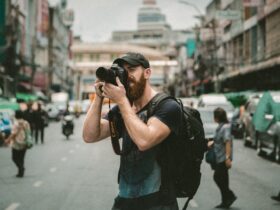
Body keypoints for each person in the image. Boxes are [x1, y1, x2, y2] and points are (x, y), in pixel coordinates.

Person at [83, 52, 181, 210]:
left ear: (147, 73)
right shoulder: (124, 109)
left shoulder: (167, 106)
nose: (126, 76)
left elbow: (145, 141)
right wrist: (99, 97)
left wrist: (121, 100)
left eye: (131, 69)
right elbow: (90, 135)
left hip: (158, 202)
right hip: (124, 199)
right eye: (122, 71)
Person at [210, 107, 237, 208]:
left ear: (217, 117)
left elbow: (228, 142)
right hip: (219, 157)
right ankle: (225, 200)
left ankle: (229, 196)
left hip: (223, 158)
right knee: (222, 179)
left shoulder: (225, 127)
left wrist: (227, 158)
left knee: (218, 177)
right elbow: (219, 140)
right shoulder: (220, 127)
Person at [5, 110, 30, 178]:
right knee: (21, 158)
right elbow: (28, 132)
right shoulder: (26, 122)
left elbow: (14, 133)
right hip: (25, 141)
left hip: (17, 142)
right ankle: (20, 172)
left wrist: (8, 140)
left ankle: (21, 168)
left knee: (14, 157)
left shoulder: (16, 123)